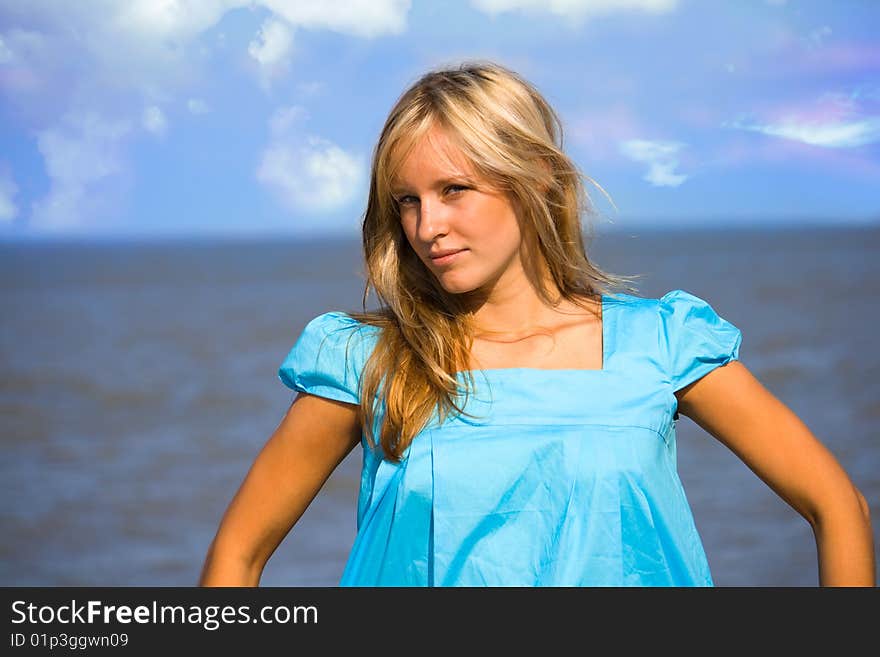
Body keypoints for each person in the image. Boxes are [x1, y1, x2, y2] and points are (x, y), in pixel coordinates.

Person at [199, 60, 875, 587]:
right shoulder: (365, 359)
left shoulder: (661, 343)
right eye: (407, 201)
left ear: (536, 181)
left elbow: (835, 503)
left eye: (453, 190)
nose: (427, 226)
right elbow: (239, 551)